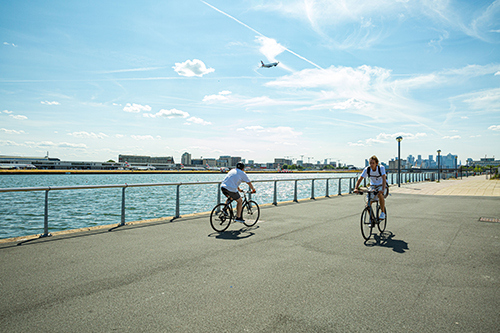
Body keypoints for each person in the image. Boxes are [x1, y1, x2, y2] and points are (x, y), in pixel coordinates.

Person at [354, 155, 387, 221]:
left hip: (381, 185)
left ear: (376, 163)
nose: (371, 165)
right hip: (373, 186)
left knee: (380, 194)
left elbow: (384, 178)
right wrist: (356, 188)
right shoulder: (367, 169)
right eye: (370, 163)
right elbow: (360, 178)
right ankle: (372, 219)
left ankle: (383, 212)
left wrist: (383, 189)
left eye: (373, 163)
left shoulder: (381, 168)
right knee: (368, 204)